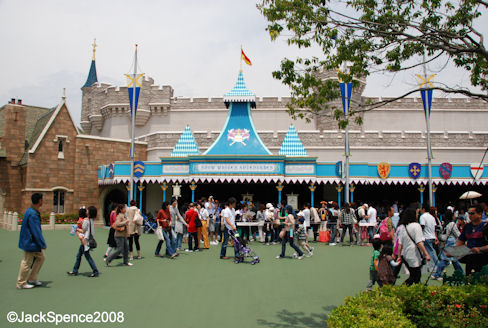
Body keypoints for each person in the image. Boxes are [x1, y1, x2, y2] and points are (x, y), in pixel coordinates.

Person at [16, 193, 47, 289]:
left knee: (40, 258)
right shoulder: (32, 214)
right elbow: (36, 231)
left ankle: (32, 279)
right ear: (39, 201)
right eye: (42, 199)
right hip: (30, 242)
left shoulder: (32, 211)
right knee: (26, 262)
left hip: (31, 242)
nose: (43, 201)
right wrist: (42, 243)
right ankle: (21, 283)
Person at [396, 207, 431, 285]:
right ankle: (405, 289)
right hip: (414, 255)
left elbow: (400, 245)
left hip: (405, 255)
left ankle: (411, 290)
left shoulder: (403, 227)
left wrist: (399, 256)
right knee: (415, 276)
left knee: (414, 275)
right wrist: (426, 254)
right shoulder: (416, 226)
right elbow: (419, 242)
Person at [454, 205, 488, 275]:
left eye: (472, 213)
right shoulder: (467, 227)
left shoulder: (485, 227)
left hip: (483, 259)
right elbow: (460, 241)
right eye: (469, 213)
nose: (470, 215)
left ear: (480, 214)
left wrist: (480, 249)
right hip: (470, 258)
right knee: (469, 279)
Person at [431, 210, 464, 280]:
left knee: (454, 259)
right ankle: (436, 274)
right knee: (445, 260)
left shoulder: (444, 224)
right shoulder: (452, 224)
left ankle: (461, 272)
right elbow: (458, 234)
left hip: (445, 242)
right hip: (451, 243)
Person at [67, 206, 99, 277]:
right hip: (88, 240)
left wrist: (76, 229)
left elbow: (83, 231)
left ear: (89, 212)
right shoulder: (91, 220)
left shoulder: (86, 220)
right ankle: (75, 270)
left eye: (87, 210)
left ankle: (95, 271)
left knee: (87, 257)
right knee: (79, 255)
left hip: (85, 241)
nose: (86, 211)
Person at [419, 204, 438, 270]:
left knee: (430, 252)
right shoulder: (432, 217)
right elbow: (435, 227)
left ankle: (436, 266)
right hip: (432, 236)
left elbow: (422, 226)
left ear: (423, 209)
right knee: (429, 252)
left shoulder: (423, 217)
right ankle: (428, 266)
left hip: (426, 237)